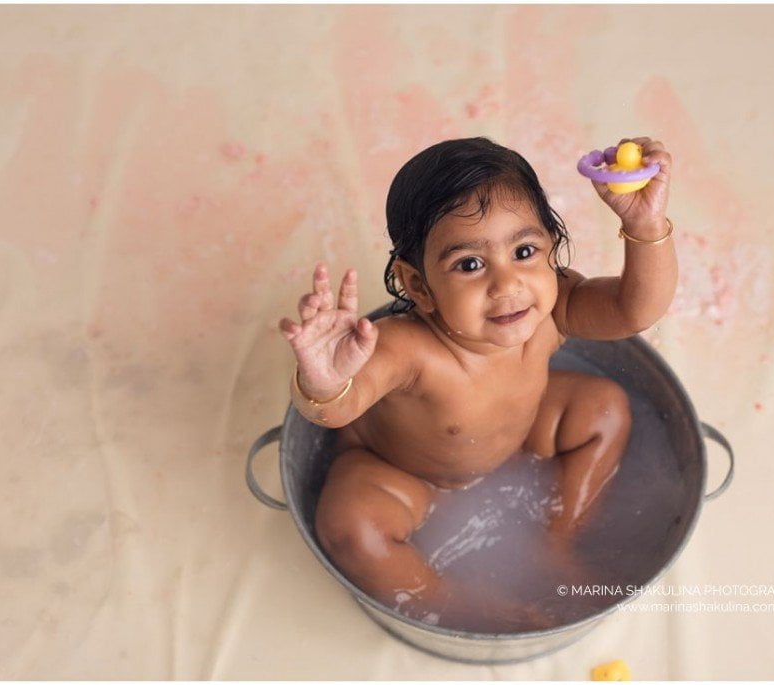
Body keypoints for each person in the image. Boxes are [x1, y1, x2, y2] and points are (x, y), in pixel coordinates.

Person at [278, 136, 677, 628]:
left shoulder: (553, 308)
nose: (507, 285)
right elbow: (335, 411)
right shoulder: (407, 347)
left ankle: (560, 533)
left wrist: (645, 226)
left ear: (552, 248)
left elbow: (634, 312)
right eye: (469, 264)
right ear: (419, 285)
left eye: (524, 251)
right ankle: (450, 602)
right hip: (405, 474)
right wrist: (323, 380)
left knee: (604, 408)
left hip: (518, 439)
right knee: (352, 527)